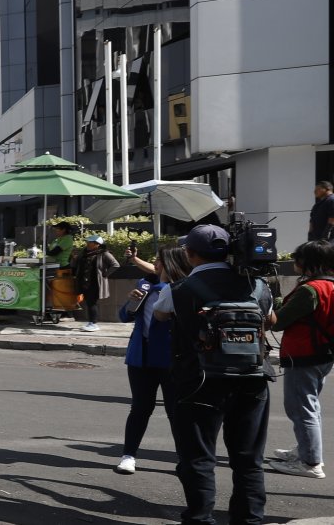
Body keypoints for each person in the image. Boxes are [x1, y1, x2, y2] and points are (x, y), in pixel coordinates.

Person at [153, 224, 276, 525]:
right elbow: (271, 320)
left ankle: (200, 519)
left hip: (200, 381)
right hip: (252, 379)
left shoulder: (179, 289)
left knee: (198, 458)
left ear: (189, 253)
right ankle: (249, 520)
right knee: (249, 460)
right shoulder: (258, 285)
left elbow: (159, 314)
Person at [115, 246, 192, 475]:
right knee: (140, 408)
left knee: (175, 411)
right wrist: (131, 302)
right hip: (140, 357)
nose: (154, 264)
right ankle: (128, 455)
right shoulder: (145, 284)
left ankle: (184, 459)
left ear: (171, 264)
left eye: (159, 260)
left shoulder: (184, 289)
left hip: (171, 359)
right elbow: (124, 316)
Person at [268, 239, 333, 479]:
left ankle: (310, 462)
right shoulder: (330, 285)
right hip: (323, 353)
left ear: (306, 262)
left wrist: (270, 305)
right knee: (310, 405)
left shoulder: (310, 290)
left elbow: (279, 322)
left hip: (304, 354)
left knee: (301, 408)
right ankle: (306, 450)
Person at [73, 234, 119, 332]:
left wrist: (105, 274)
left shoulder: (104, 253)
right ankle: (91, 322)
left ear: (97, 244)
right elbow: (77, 265)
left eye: (90, 242)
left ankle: (93, 323)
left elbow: (115, 265)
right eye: (87, 242)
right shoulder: (84, 253)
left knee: (91, 302)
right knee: (88, 302)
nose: (87, 244)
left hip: (95, 283)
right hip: (84, 282)